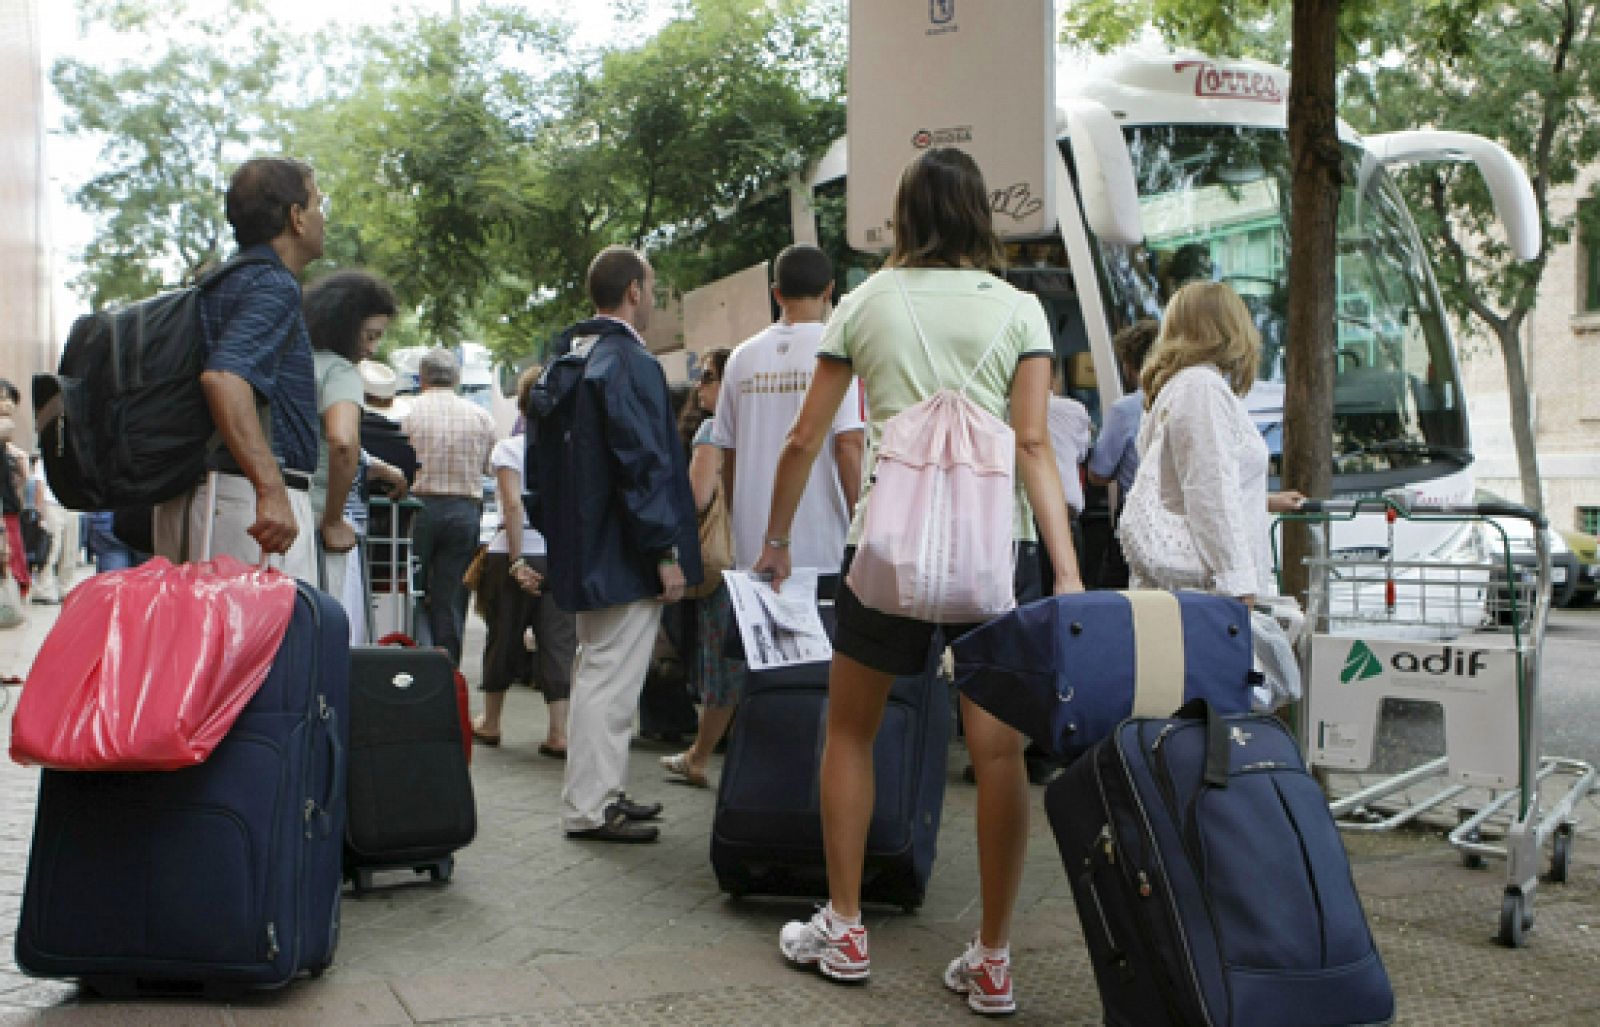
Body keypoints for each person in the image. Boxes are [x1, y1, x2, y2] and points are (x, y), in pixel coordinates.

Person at [754, 148, 1082, 1015]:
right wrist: (1069, 568)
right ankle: (995, 957)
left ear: (903, 215)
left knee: (853, 732)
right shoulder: (1022, 309)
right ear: (983, 212)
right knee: (999, 751)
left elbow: (804, 436)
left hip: (886, 551)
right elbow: (1036, 445)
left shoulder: (864, 302)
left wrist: (778, 538)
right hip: (992, 553)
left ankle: (849, 927)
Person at [660, 245, 865, 788]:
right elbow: (848, 449)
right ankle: (807, 782)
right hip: (821, 540)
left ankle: (758, 779)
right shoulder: (839, 349)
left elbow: (721, 451)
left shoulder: (743, 359)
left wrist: (748, 515)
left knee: (756, 668)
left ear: (775, 293)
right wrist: (862, 523)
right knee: (819, 673)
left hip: (756, 547)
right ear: (829, 293)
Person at [534, 245, 701, 844]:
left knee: (597, 668)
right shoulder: (631, 363)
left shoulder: (567, 362)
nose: (653, 299)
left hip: (587, 545)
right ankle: (590, 805)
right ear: (634, 290)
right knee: (609, 675)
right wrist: (665, 551)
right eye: (651, 288)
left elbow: (539, 474)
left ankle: (600, 791)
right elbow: (646, 464)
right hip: (628, 550)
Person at [151, 157, 324, 577]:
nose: (323, 218)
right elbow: (225, 378)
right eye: (319, 204)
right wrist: (272, 490)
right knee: (264, 640)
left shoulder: (219, 282)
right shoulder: (271, 284)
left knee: (207, 640)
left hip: (209, 497)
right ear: (296, 217)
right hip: (245, 504)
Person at [1130, 281, 1301, 603]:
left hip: (1190, 593)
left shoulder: (1179, 386)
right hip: (1210, 594)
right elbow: (1209, 490)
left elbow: (1190, 484)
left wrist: (1264, 500)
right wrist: (1238, 584)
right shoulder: (1201, 388)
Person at [471, 365, 576, 758]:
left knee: (502, 636)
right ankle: (557, 731)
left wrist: (516, 561)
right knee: (558, 642)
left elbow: (512, 505)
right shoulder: (570, 451)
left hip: (511, 553)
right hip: (558, 557)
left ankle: (493, 721)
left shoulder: (509, 449)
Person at [657, 348, 746, 787]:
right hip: (769, 556)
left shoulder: (712, 430)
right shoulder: (769, 422)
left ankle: (699, 757)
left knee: (724, 664)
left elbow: (696, 497)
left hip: (725, 563)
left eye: (708, 377)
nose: (699, 385)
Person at [302, 270, 408, 628]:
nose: (372, 348)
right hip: (316, 519)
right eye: (370, 335)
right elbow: (343, 442)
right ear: (347, 325)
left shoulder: (293, 359)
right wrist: (333, 519)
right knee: (324, 629)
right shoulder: (340, 371)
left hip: (275, 511)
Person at [400, 347, 498, 667]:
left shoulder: (407, 412)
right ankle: (446, 669)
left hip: (418, 509)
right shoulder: (480, 417)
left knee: (410, 590)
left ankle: (412, 658)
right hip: (464, 510)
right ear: (456, 379)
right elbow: (490, 468)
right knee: (452, 595)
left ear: (423, 378)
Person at [1086, 318, 1161, 589]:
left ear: (1130, 367)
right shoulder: (1183, 399)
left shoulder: (1125, 410)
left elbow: (1098, 474)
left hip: (1134, 516)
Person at [0, 382, 31, 596]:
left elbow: (21, 482)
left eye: (11, 399)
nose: (9, 404)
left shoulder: (9, 448)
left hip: (8, 509)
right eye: (3, 398)